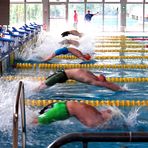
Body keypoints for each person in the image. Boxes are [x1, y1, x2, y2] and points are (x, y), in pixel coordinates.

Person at [32, 101, 115, 128]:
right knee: (34, 122)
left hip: (62, 106)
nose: (105, 111)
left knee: (35, 119)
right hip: (62, 109)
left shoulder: (95, 115)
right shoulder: (96, 120)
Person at [34, 68, 125, 91]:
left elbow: (106, 85)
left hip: (62, 75)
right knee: (42, 84)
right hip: (61, 73)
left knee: (41, 87)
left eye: (102, 77)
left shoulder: (92, 80)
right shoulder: (93, 76)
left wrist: (119, 89)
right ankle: (31, 88)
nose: (101, 75)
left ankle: (31, 91)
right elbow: (107, 83)